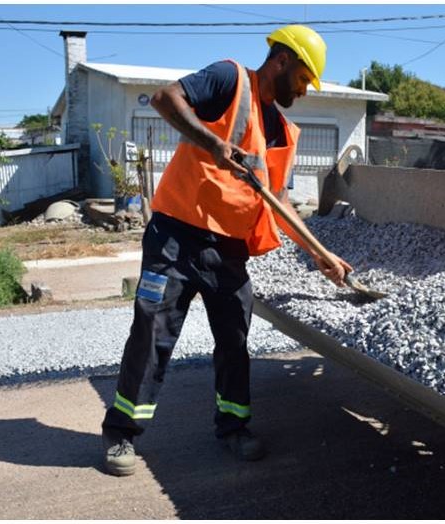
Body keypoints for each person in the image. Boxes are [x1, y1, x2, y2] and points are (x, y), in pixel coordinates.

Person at [101, 24, 354, 476]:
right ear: (281, 60)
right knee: (152, 335)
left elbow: (278, 203)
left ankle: (234, 427)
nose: (303, 90)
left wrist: (320, 253)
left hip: (228, 249)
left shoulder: (281, 131)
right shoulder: (228, 79)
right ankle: (122, 435)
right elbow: (164, 99)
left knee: (235, 339)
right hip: (175, 238)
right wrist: (213, 143)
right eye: (301, 78)